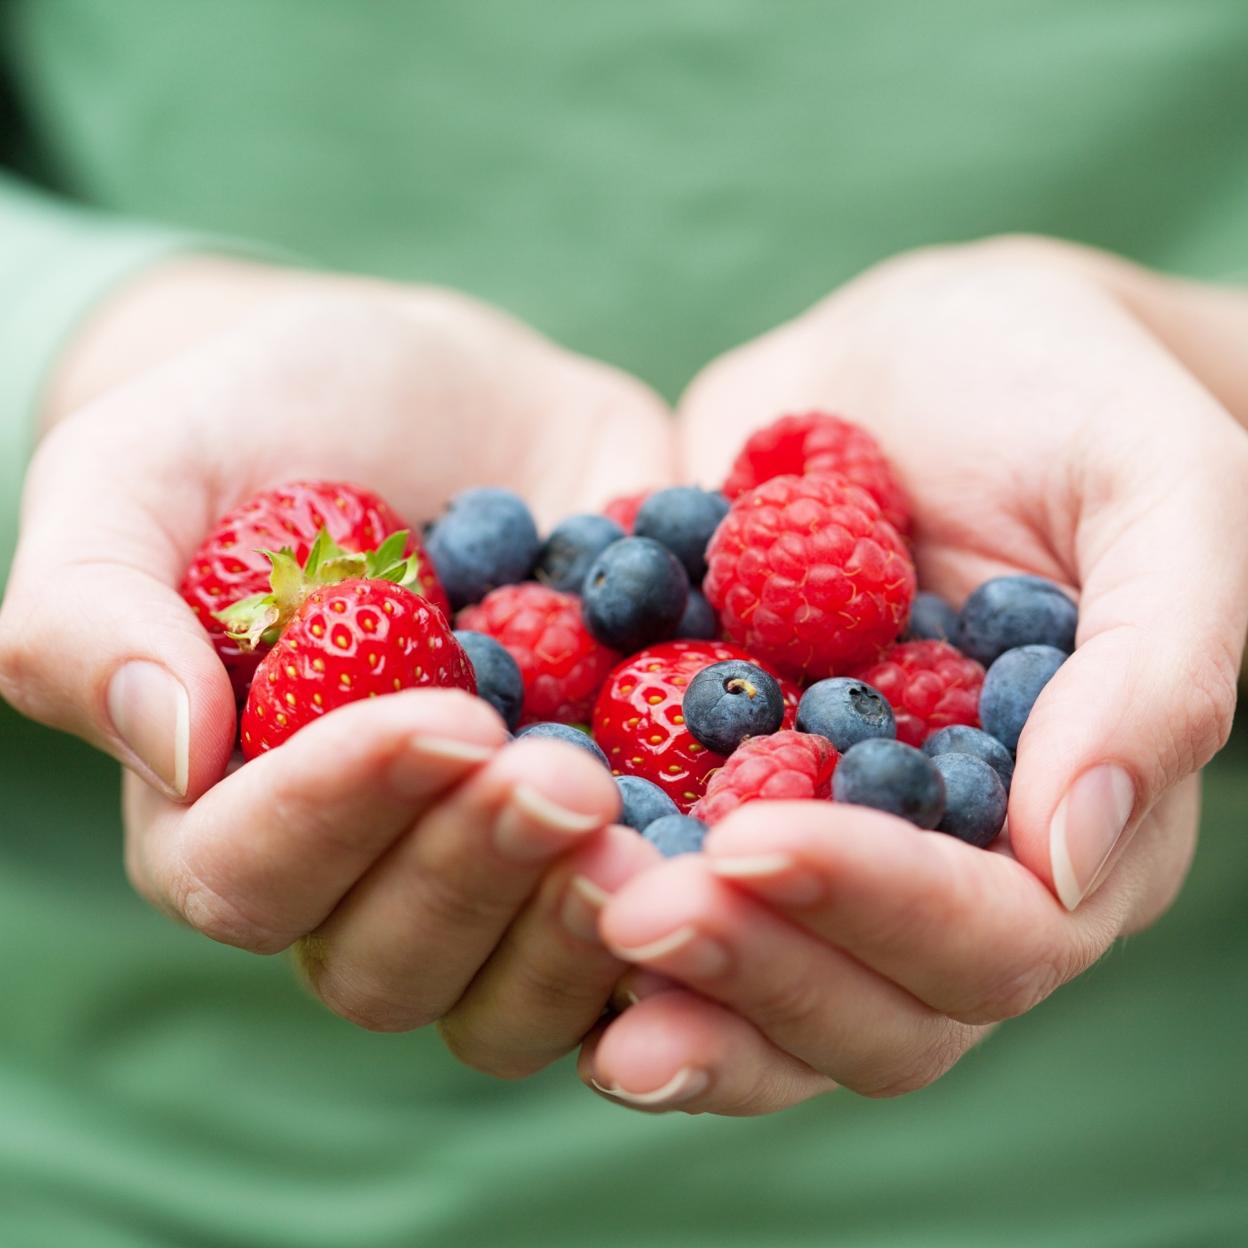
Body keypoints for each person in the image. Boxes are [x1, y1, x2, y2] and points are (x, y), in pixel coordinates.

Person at [0, 5, 1245, 1244]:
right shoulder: (521, 630)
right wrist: (100, 342)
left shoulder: (875, 670)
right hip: (170, 1180)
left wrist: (1201, 378)